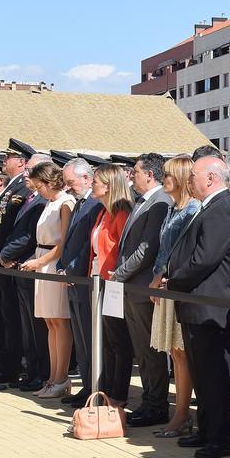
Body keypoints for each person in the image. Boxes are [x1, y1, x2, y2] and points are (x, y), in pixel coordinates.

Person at [164, 154, 230, 458]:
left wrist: (174, 281)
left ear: (210, 178)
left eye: (194, 175)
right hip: (196, 302)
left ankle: (220, 437)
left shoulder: (222, 209)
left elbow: (205, 258)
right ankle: (207, 429)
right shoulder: (209, 207)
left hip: (211, 305)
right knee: (202, 371)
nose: (190, 181)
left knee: (214, 373)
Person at [109, 153, 174, 427]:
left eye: (135, 171)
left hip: (141, 286)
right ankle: (149, 401)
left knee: (151, 351)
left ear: (150, 174)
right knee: (141, 351)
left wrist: (119, 276)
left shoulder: (159, 202)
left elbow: (147, 249)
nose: (131, 176)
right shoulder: (144, 201)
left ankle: (157, 405)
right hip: (131, 287)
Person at [149, 155, 200, 437]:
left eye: (168, 175)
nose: (164, 179)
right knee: (174, 352)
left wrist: (161, 280)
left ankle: (182, 415)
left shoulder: (191, 209)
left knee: (181, 353)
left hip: (175, 286)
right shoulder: (173, 208)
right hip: (163, 284)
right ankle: (179, 414)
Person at [16, 161, 75, 399]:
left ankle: (61, 377)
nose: (37, 189)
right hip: (42, 259)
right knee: (50, 322)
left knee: (60, 321)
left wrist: (40, 262)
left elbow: (63, 242)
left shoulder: (65, 202)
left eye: (40, 185)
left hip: (52, 262)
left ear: (50, 182)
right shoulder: (50, 202)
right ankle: (52, 377)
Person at [0, 139, 35, 384]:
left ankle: (12, 365)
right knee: (6, 314)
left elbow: (10, 229)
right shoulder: (14, 188)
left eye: (8, 158)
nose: (4, 162)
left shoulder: (21, 190)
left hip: (9, 261)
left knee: (13, 317)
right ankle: (7, 363)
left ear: (21, 162)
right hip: (0, 258)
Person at [0, 152, 53, 391]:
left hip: (34, 264)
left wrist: (8, 254)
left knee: (38, 326)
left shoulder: (43, 200)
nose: (26, 174)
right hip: (23, 265)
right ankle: (32, 370)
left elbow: (30, 236)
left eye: (30, 169)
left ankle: (41, 372)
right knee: (28, 325)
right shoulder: (32, 197)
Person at [57, 159, 102, 407]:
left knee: (88, 335)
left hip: (83, 279)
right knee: (81, 337)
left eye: (72, 182)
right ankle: (86, 385)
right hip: (72, 278)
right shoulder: (81, 203)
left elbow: (87, 246)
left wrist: (71, 269)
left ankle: (93, 386)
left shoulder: (94, 204)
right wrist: (62, 266)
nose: (69, 187)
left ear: (86, 178)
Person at [90, 165, 134, 411]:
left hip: (114, 283)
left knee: (118, 340)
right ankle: (104, 389)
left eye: (96, 181)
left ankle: (118, 393)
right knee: (105, 340)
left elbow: (123, 251)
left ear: (108, 185)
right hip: (97, 280)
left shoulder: (121, 213)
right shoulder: (103, 213)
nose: (93, 185)